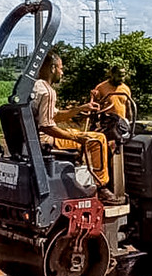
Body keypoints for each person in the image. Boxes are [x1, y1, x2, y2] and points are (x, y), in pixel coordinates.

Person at [31, 51, 124, 205]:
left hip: (36, 139)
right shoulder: (48, 91)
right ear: (53, 68)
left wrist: (81, 108)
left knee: (81, 134)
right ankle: (101, 188)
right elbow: (46, 126)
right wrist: (75, 138)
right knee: (98, 139)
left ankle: (83, 178)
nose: (62, 71)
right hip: (46, 140)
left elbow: (56, 116)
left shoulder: (35, 87)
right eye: (61, 68)